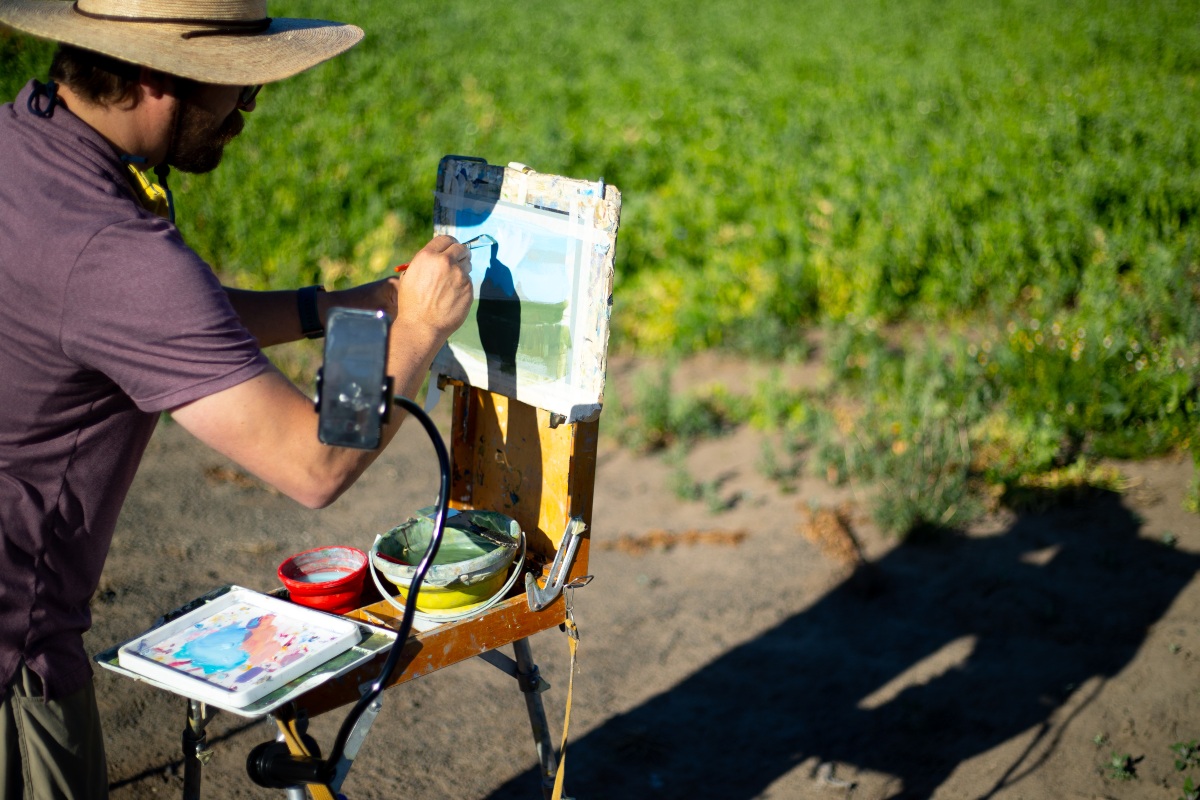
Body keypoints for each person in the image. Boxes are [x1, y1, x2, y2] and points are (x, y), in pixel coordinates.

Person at [0, 1, 475, 796]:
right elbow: (313, 465)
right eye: (237, 85)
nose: (248, 107)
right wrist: (418, 333)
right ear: (158, 75)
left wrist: (332, 309)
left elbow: (155, 321)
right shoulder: (119, 253)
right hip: (16, 666)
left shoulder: (28, 142)